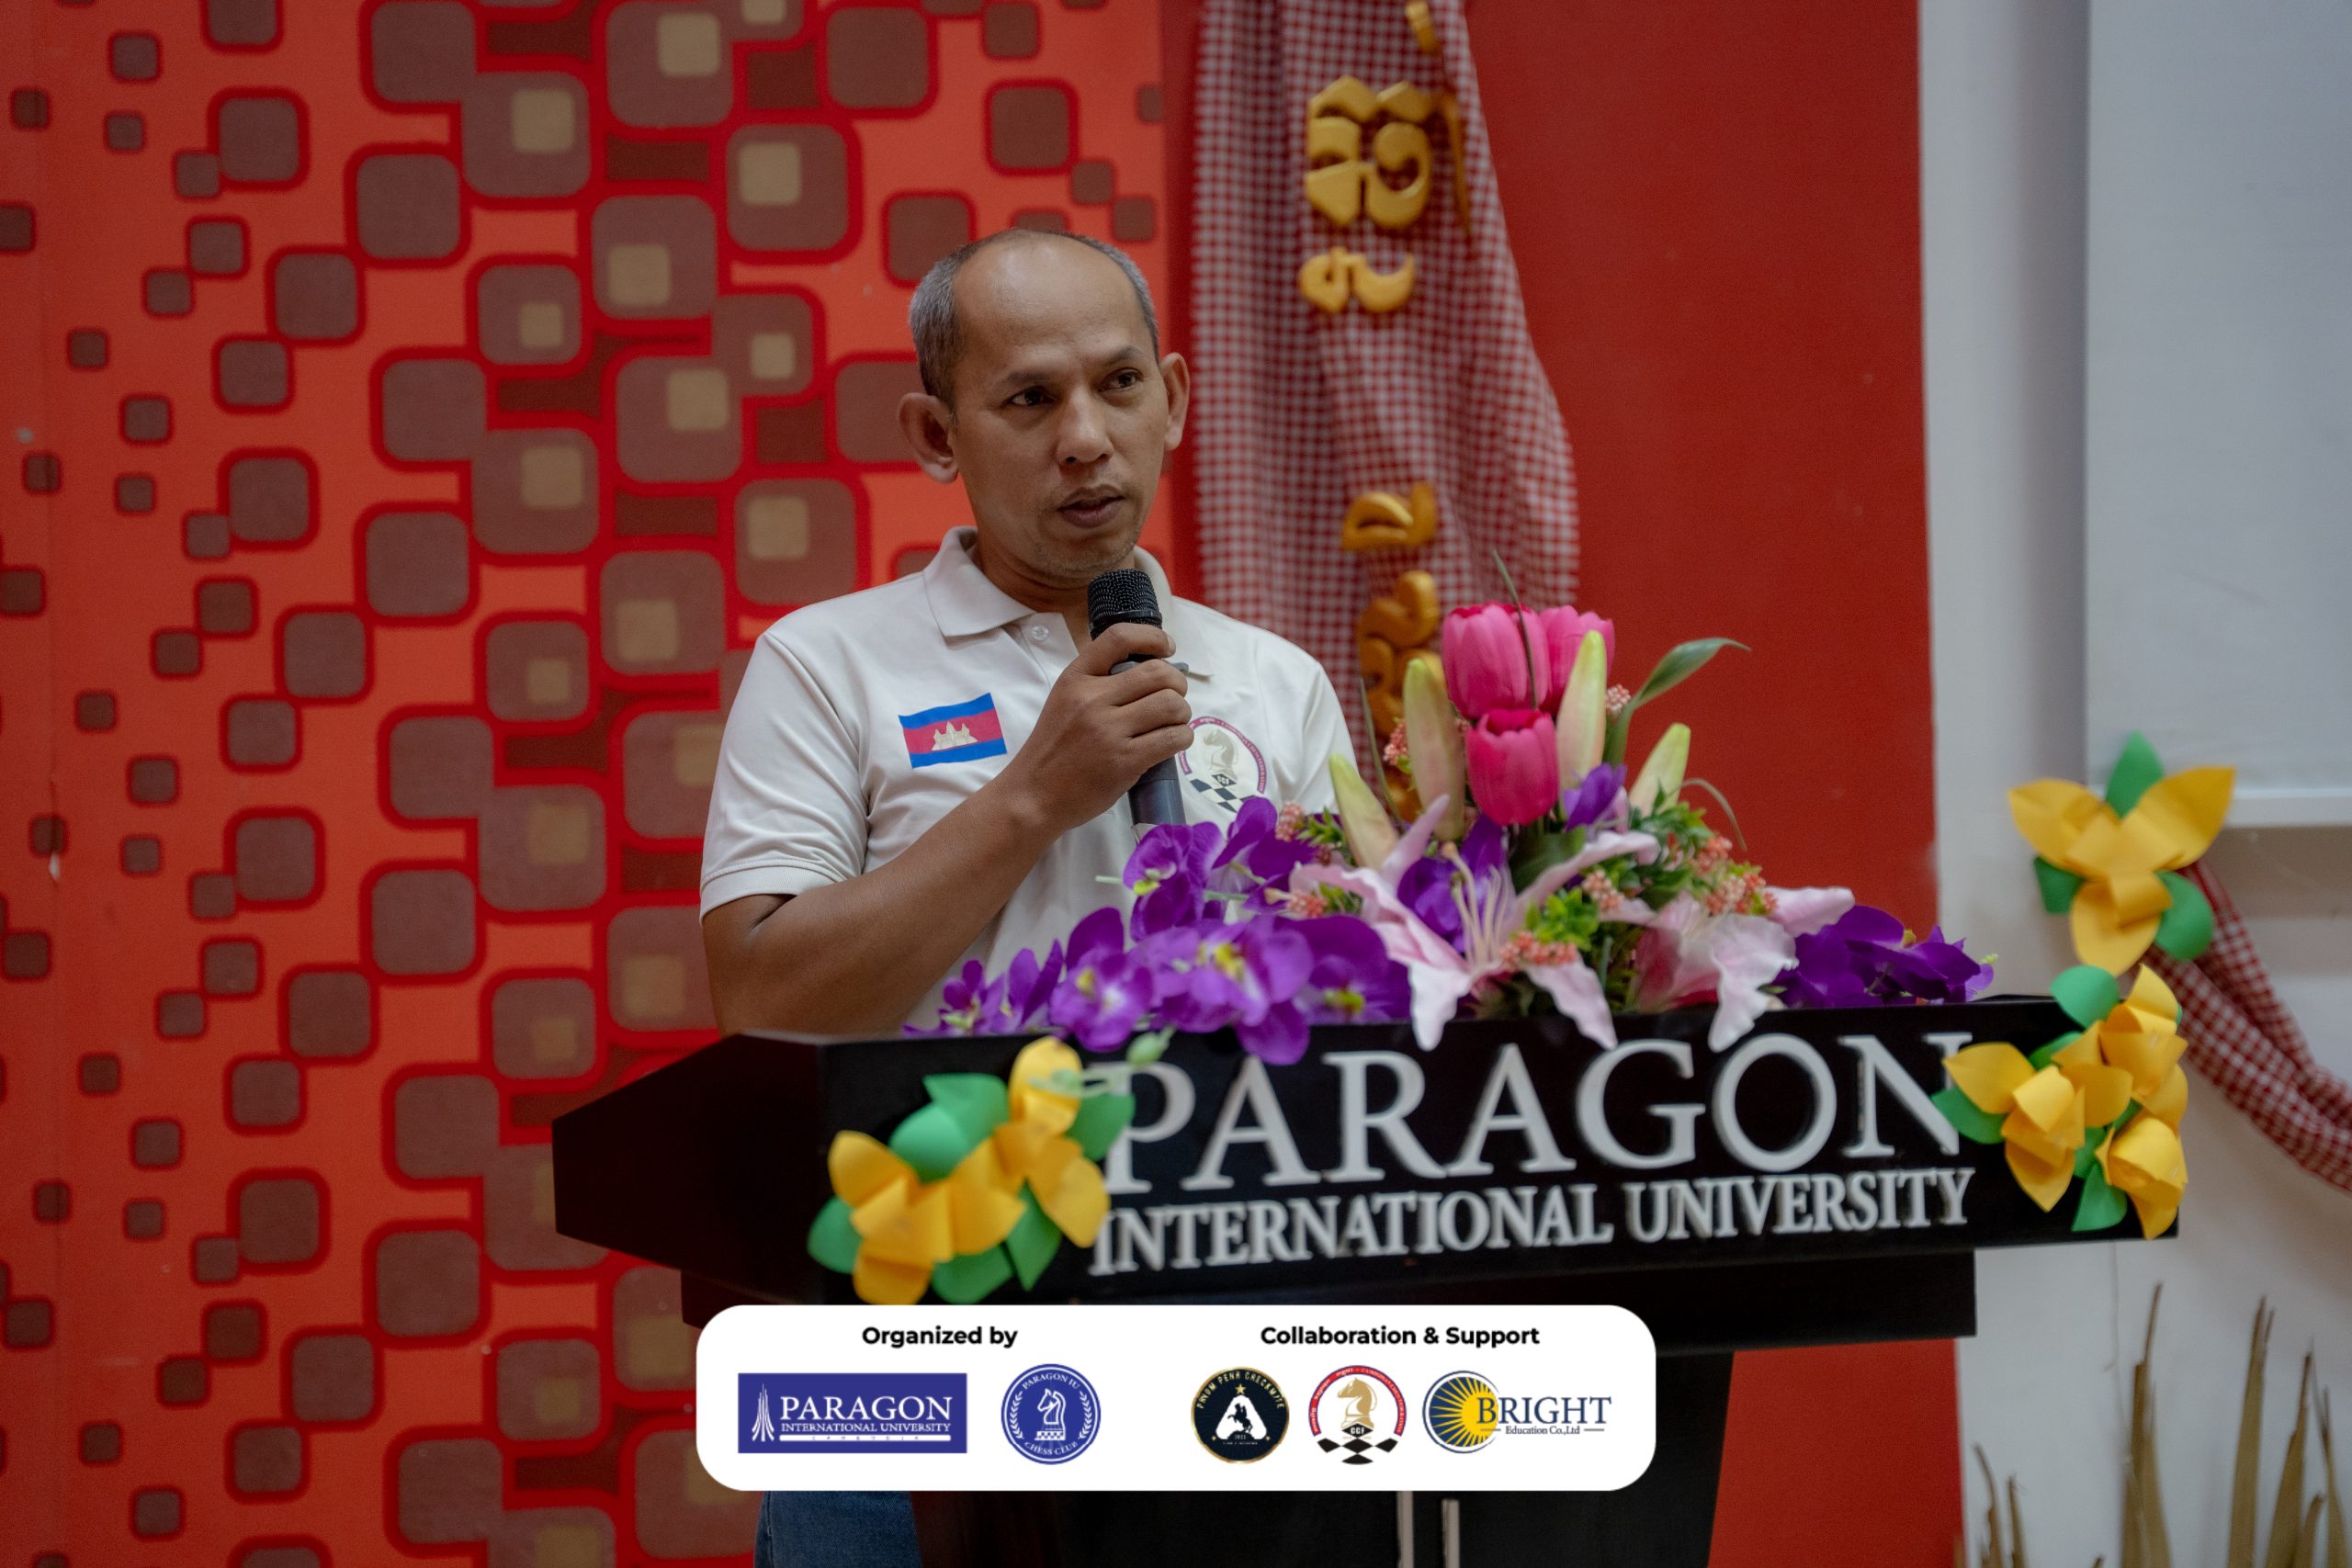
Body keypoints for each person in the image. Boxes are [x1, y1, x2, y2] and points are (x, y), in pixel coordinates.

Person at [698, 228, 1359, 1567]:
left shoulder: (1274, 683)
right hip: (910, 1349)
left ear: (1174, 397)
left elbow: (1351, 1016)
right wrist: (1029, 801)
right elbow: (759, 992)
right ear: (937, 434)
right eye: (1029, 399)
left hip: (1219, 1355)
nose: (1086, 440)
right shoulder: (827, 667)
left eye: (1119, 385)